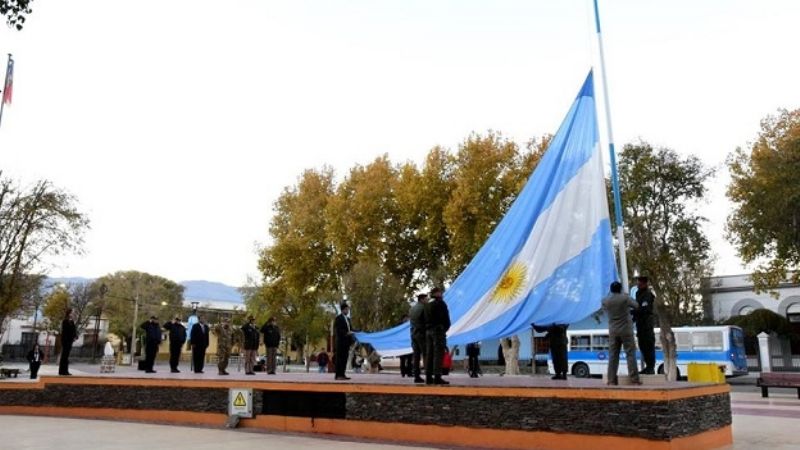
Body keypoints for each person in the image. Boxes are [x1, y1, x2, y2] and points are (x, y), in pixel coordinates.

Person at [602, 281, 641, 385]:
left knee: (613, 355)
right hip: (626, 330)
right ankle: (634, 379)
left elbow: (605, 310)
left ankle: (611, 380)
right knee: (630, 354)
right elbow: (636, 305)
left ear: (611, 290)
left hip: (613, 331)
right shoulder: (625, 298)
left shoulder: (605, 300)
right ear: (620, 289)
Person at [423, 287, 450, 385]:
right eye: (441, 292)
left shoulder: (427, 304)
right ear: (437, 293)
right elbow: (445, 318)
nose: (442, 294)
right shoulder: (440, 303)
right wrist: (445, 328)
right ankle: (437, 376)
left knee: (429, 354)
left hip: (428, 331)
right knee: (438, 354)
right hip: (438, 331)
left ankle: (428, 377)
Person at [634, 276, 657, 374]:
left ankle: (650, 367)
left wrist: (634, 311)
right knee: (642, 345)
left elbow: (645, 308)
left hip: (647, 323)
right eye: (637, 283)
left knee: (648, 345)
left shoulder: (648, 294)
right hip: (640, 324)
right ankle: (648, 366)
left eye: (640, 283)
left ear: (644, 283)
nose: (638, 285)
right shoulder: (638, 293)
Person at [409, 293, 427, 383]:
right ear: (422, 299)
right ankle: (428, 375)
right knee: (425, 354)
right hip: (421, 333)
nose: (426, 301)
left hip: (413, 333)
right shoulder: (424, 308)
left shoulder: (412, 309)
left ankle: (416, 375)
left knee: (416, 356)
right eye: (426, 299)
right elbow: (426, 320)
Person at [334, 302, 354, 380]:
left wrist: (356, 332)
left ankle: (342, 374)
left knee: (345, 359)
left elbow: (351, 329)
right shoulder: (338, 318)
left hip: (347, 343)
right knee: (340, 359)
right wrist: (346, 333)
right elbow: (338, 330)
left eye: (348, 309)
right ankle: (338, 375)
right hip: (340, 342)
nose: (347, 311)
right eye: (346, 309)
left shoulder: (348, 319)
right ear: (342, 310)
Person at [59, 308, 77, 376]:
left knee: (66, 356)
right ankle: (62, 371)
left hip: (70, 341)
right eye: (72, 312)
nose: (73, 314)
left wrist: (75, 336)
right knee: (64, 356)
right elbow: (65, 332)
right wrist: (71, 337)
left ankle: (65, 370)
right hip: (66, 341)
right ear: (69, 313)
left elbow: (73, 330)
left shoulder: (72, 321)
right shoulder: (65, 321)